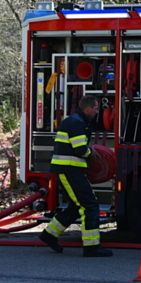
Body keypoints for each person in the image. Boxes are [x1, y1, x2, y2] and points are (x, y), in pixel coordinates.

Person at [38, 95, 112, 257]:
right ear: (88, 109)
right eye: (96, 108)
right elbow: (80, 150)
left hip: (70, 170)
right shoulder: (77, 123)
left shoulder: (77, 121)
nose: (97, 112)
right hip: (70, 170)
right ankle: (91, 247)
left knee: (75, 207)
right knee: (89, 205)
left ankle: (49, 235)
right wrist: (93, 152)